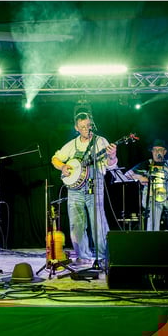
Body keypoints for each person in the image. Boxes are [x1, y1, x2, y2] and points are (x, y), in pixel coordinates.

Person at [51, 112, 117, 270]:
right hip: (74, 190)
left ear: (92, 124)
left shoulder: (100, 141)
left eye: (88, 125)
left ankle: (103, 257)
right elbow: (55, 158)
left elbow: (111, 165)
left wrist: (112, 156)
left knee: (98, 222)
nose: (86, 129)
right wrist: (63, 166)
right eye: (82, 127)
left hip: (95, 184)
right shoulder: (71, 144)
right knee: (76, 224)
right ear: (76, 128)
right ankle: (83, 256)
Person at [126, 139, 168, 231]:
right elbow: (127, 175)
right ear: (152, 151)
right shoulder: (146, 164)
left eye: (160, 150)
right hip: (153, 197)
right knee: (153, 214)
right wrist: (140, 177)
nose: (157, 152)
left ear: (164, 152)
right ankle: (152, 237)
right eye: (154, 150)